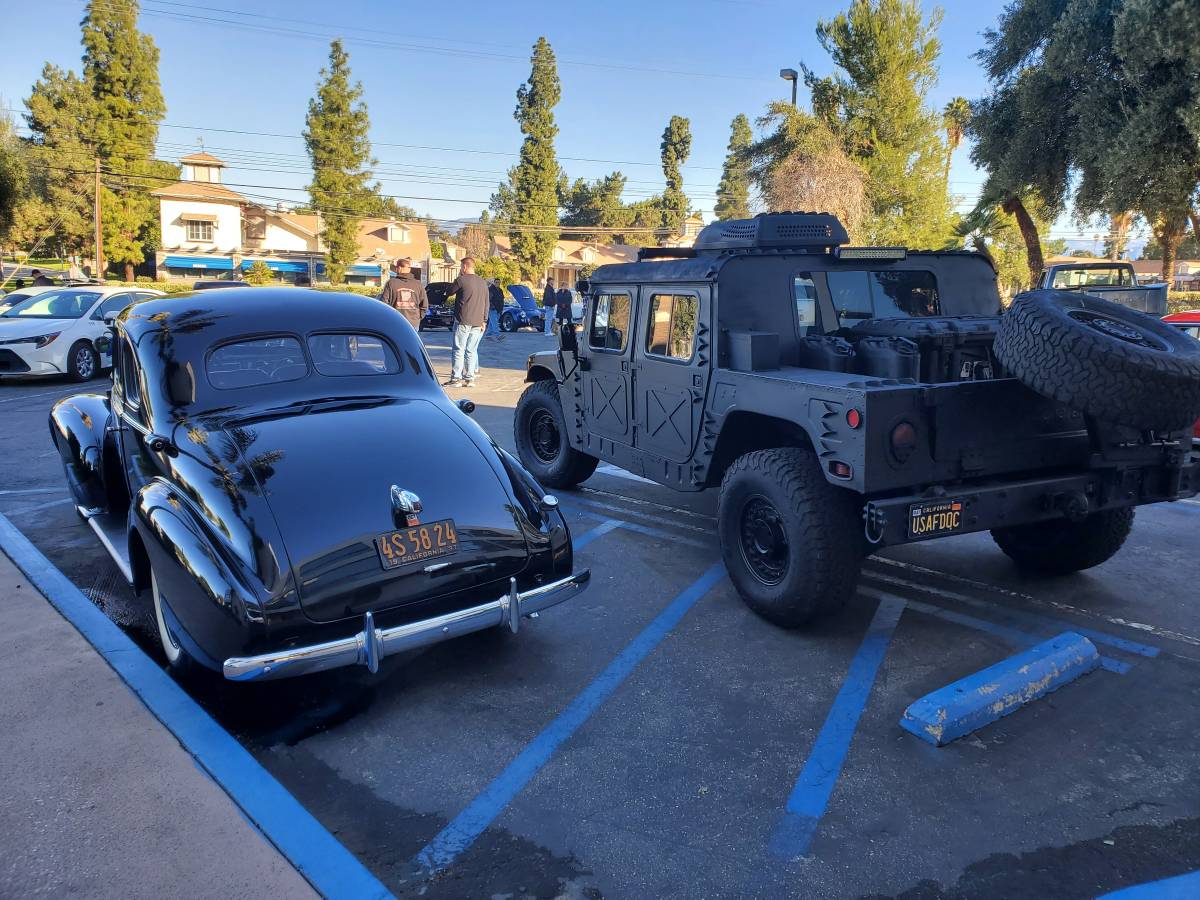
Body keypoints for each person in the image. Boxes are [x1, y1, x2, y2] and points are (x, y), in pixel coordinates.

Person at [445, 257, 489, 387]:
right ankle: (470, 378)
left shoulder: (461, 280)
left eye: (461, 267)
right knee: (471, 350)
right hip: (478, 321)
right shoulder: (483, 283)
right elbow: (487, 303)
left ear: (464, 267)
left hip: (463, 320)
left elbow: (449, 292)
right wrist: (484, 320)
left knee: (459, 349)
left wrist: (457, 278)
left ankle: (456, 378)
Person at [378, 257, 428, 331]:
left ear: (399, 268)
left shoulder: (391, 283)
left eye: (396, 268)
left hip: (395, 321)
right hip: (413, 322)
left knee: (395, 342)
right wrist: (417, 317)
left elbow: (384, 303)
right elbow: (424, 305)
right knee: (411, 342)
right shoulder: (418, 284)